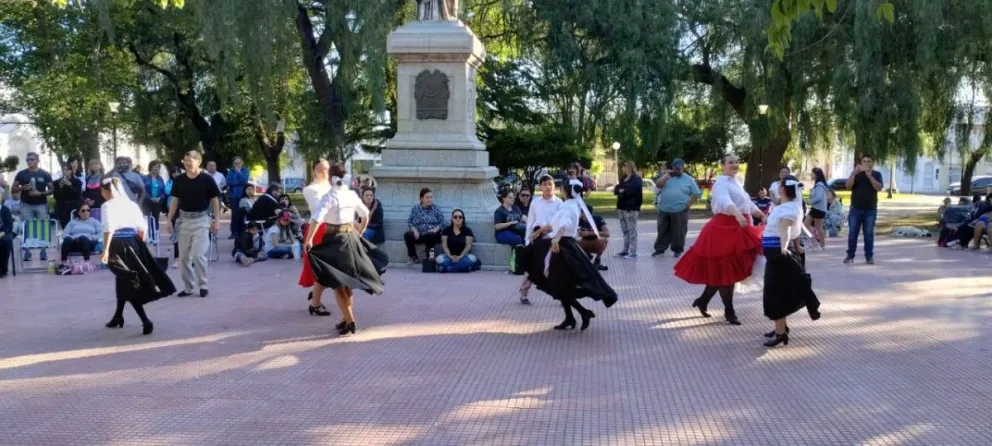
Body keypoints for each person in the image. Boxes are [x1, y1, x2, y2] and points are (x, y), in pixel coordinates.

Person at [675, 154, 766, 326]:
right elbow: (725, 202)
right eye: (730, 162)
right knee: (726, 272)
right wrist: (738, 215)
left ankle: (703, 301)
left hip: (738, 228)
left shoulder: (736, 181)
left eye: (736, 162)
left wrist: (760, 214)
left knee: (724, 272)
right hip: (723, 229)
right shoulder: (721, 183)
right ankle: (729, 312)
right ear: (722, 166)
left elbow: (746, 203)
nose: (734, 164)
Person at [519, 179, 618, 331]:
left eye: (561, 188)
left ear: (565, 190)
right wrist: (538, 231)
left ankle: (580, 314)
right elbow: (553, 223)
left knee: (560, 284)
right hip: (559, 246)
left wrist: (556, 239)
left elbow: (564, 225)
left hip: (565, 248)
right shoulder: (565, 205)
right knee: (559, 285)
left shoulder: (571, 207)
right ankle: (572, 317)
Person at [304, 163, 388, 336]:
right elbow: (364, 214)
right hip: (350, 238)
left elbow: (316, 219)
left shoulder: (330, 196)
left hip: (334, 240)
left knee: (338, 284)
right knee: (346, 283)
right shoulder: (350, 194)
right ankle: (345, 318)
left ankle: (350, 321)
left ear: (330, 178)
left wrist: (309, 239)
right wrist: (361, 231)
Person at [100, 176, 176, 335]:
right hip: (135, 242)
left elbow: (109, 229)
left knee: (128, 281)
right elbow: (142, 227)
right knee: (123, 279)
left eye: (103, 190)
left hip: (118, 244)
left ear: (107, 191)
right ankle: (118, 316)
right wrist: (139, 245)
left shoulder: (107, 206)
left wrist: (105, 250)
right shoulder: (131, 204)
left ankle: (145, 320)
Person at [762, 177, 821, 347]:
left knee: (775, 294)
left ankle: (781, 333)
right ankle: (781, 328)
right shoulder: (787, 207)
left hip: (778, 255)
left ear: (782, 190)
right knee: (778, 292)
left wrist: (783, 249)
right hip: (776, 254)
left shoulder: (787, 209)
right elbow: (793, 232)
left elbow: (785, 231)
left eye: (779, 185)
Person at [166, 150, 221, 298]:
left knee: (198, 255)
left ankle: (203, 285)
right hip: (184, 221)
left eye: (190, 161)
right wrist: (169, 220)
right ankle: (188, 287)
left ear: (198, 161)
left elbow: (215, 201)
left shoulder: (207, 179)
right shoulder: (179, 180)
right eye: (185, 161)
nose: (187, 164)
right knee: (183, 257)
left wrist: (217, 221)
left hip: (202, 220)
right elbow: (175, 201)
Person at [517, 174, 562, 305]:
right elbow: (530, 222)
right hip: (537, 237)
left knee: (557, 267)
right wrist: (527, 240)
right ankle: (523, 293)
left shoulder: (559, 203)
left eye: (550, 184)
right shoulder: (535, 202)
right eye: (545, 184)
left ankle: (561, 294)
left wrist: (553, 236)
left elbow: (560, 223)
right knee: (532, 265)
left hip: (553, 238)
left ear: (554, 186)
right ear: (540, 187)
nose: (548, 187)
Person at [300, 160, 333, 316]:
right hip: (318, 229)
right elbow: (318, 209)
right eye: (320, 169)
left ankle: (316, 294)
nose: (324, 171)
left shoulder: (333, 186)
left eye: (326, 168)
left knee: (334, 267)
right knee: (323, 268)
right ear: (313, 171)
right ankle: (315, 302)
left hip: (334, 228)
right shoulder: (310, 189)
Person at [652, 158, 700, 258]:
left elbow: (696, 193)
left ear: (683, 168)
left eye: (680, 169)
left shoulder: (688, 179)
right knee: (662, 230)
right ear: (672, 168)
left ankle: (677, 249)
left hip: (680, 209)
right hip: (664, 208)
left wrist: (689, 204)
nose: (677, 170)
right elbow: (658, 185)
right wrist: (667, 176)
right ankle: (660, 249)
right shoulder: (666, 176)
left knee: (679, 231)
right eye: (675, 168)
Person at [12, 152, 53, 261]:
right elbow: (13, 189)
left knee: (43, 227)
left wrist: (40, 193)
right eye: (27, 160)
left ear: (37, 160)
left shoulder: (45, 174)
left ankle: (43, 251)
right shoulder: (21, 174)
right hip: (26, 205)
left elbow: (52, 190)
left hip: (41, 204)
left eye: (31, 159)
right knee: (26, 228)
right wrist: (22, 188)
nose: (29, 161)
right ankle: (27, 252)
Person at [844, 154, 884, 264]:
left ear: (872, 163)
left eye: (869, 161)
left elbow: (879, 188)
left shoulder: (876, 174)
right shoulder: (856, 174)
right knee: (852, 234)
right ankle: (850, 256)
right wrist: (854, 172)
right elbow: (848, 186)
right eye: (864, 161)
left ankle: (869, 256)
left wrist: (870, 176)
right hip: (855, 209)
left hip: (870, 210)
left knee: (869, 234)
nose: (866, 163)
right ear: (861, 163)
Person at [404, 188, 444, 263]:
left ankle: (430, 258)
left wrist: (434, 230)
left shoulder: (436, 208)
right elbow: (410, 222)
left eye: (431, 197)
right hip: (420, 234)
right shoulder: (415, 209)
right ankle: (413, 256)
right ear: (421, 198)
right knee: (407, 235)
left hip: (433, 234)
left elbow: (442, 222)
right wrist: (415, 230)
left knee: (430, 235)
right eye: (427, 197)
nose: (430, 199)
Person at [58, 204, 102, 271]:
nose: (86, 212)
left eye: (88, 210)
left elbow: (101, 233)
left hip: (88, 243)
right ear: (78, 212)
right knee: (67, 239)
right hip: (74, 244)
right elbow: (65, 234)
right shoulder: (72, 223)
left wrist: (91, 238)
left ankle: (87, 263)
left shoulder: (94, 222)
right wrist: (73, 238)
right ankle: (63, 264)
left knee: (83, 238)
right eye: (83, 211)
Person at [614, 160, 643, 258]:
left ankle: (633, 251)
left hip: (631, 208)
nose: (622, 168)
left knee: (632, 230)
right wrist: (621, 190)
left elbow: (631, 191)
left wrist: (622, 191)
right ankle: (625, 250)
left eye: (624, 166)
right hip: (622, 207)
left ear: (629, 167)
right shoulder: (623, 178)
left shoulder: (636, 179)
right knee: (624, 230)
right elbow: (616, 189)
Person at [578, 204, 610, 271]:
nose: (580, 214)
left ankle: (597, 259)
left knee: (601, 240)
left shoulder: (598, 219)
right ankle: (587, 255)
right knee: (574, 241)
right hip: (585, 241)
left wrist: (590, 233)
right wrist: (579, 233)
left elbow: (607, 234)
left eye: (581, 212)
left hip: (596, 241)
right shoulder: (578, 220)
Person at [53, 163, 83, 229]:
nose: (65, 172)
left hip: (73, 206)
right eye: (63, 170)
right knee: (65, 227)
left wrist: (70, 185)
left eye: (67, 170)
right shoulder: (56, 182)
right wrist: (60, 187)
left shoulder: (77, 181)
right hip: (62, 207)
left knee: (75, 226)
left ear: (71, 171)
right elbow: (56, 197)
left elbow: (78, 195)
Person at [805, 167, 829, 249]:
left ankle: (818, 243)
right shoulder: (818, 185)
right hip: (817, 208)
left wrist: (810, 201)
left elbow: (819, 197)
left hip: (818, 209)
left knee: (812, 226)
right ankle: (818, 244)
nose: (811, 175)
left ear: (817, 175)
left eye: (812, 173)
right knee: (815, 227)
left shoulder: (819, 185)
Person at [226, 157, 250, 237]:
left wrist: (239, 173)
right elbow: (228, 182)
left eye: (239, 163)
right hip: (233, 196)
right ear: (233, 164)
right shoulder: (231, 171)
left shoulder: (245, 170)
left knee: (242, 214)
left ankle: (241, 231)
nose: (237, 165)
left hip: (242, 195)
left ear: (242, 163)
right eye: (236, 163)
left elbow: (244, 181)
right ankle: (234, 232)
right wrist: (238, 182)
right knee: (234, 214)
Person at [0, 189, 13, 278]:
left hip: (4, 232)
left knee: (6, 241)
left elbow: (9, 225)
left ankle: (3, 269)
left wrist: (2, 233)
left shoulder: (5, 210)